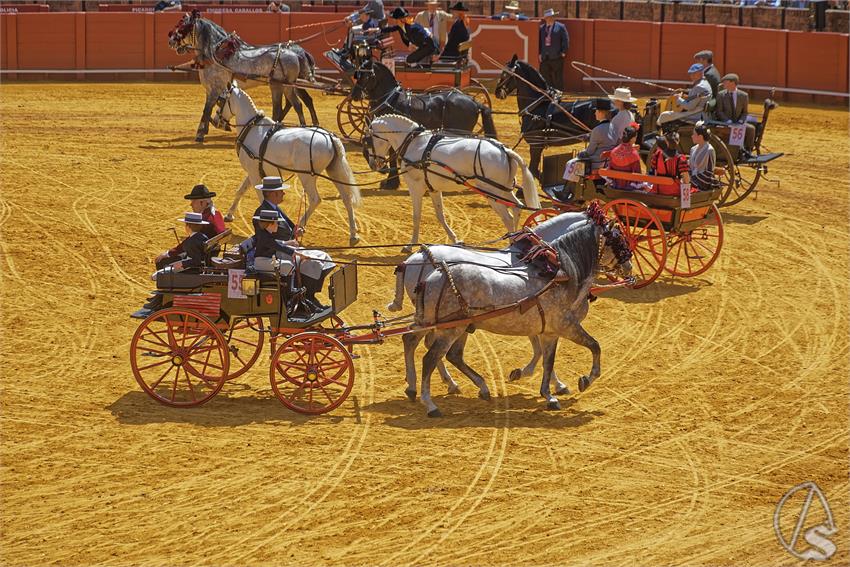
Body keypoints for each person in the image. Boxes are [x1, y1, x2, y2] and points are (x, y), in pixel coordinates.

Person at [252, 176, 335, 316]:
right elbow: (266, 241)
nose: (283, 194)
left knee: (324, 257)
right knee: (311, 262)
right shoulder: (261, 213)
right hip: (276, 253)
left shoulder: (275, 208)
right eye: (281, 191)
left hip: (285, 249)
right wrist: (290, 249)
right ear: (273, 194)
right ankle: (305, 298)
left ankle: (310, 295)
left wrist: (296, 231)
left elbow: (289, 226)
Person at [155, 184, 226, 269]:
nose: (191, 204)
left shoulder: (204, 220)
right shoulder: (216, 214)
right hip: (209, 254)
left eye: (193, 201)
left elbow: (192, 241)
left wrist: (168, 253)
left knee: (162, 262)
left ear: (202, 202)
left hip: (201, 259)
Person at [657, 63, 712, 128]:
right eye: (691, 74)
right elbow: (696, 94)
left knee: (664, 115)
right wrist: (684, 90)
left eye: (694, 74)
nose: (692, 76)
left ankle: (664, 132)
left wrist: (678, 98)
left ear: (700, 73)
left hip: (696, 115)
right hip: (703, 113)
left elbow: (689, 107)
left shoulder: (699, 87)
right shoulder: (706, 82)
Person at [715, 72, 756, 152]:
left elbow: (745, 113)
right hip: (725, 123)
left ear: (732, 83)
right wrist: (727, 121)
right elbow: (719, 111)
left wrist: (740, 121)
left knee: (751, 129)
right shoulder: (721, 95)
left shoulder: (743, 96)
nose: (723, 84)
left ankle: (748, 150)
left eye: (725, 82)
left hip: (738, 123)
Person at [578, 98, 618, 170]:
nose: (594, 113)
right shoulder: (613, 127)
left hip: (596, 163)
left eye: (596, 111)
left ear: (601, 113)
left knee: (571, 162)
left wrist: (581, 153)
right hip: (609, 161)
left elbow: (590, 151)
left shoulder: (597, 130)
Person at [538, 8, 568, 91]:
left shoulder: (561, 27)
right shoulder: (542, 28)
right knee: (545, 75)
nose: (550, 18)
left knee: (558, 76)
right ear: (545, 18)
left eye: (552, 16)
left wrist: (563, 52)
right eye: (548, 17)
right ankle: (550, 92)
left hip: (557, 55)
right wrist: (540, 53)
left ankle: (559, 93)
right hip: (545, 56)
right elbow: (540, 41)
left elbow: (565, 39)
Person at [605, 126, 643, 190]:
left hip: (615, 185)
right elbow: (637, 175)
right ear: (632, 139)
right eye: (635, 137)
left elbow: (610, 168)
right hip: (629, 187)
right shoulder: (634, 154)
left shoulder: (614, 151)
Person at [689, 121, 722, 192]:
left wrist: (693, 180)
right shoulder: (693, 149)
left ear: (700, 137)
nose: (692, 136)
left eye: (694, 134)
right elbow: (690, 167)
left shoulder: (710, 150)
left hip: (703, 181)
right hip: (692, 178)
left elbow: (710, 171)